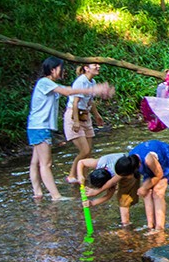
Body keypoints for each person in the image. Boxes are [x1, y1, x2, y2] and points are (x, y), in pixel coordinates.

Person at [27, 57, 112, 202]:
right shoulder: (44, 82)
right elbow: (67, 92)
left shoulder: (49, 84)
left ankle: (38, 192)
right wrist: (94, 89)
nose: (63, 71)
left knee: (36, 162)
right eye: (61, 68)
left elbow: (68, 90)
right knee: (46, 163)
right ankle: (56, 196)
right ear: (53, 69)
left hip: (38, 126)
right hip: (40, 127)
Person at [120, 139, 169, 232]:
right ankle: (150, 226)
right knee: (146, 193)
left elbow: (159, 174)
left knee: (157, 192)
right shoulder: (130, 160)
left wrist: (144, 187)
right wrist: (143, 189)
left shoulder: (148, 159)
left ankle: (159, 228)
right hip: (149, 164)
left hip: (165, 159)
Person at [64, 62, 106, 184]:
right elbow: (75, 102)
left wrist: (97, 116)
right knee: (85, 150)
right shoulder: (80, 81)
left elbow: (90, 102)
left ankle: (83, 177)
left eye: (98, 64)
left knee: (89, 151)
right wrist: (76, 122)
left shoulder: (92, 82)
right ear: (86, 68)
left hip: (85, 115)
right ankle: (72, 175)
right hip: (74, 115)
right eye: (95, 65)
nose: (98, 66)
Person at [75, 152, 138, 228]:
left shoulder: (115, 175)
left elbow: (109, 194)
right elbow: (81, 162)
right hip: (124, 159)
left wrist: (96, 192)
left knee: (123, 199)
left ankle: (126, 224)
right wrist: (80, 176)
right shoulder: (99, 163)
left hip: (130, 167)